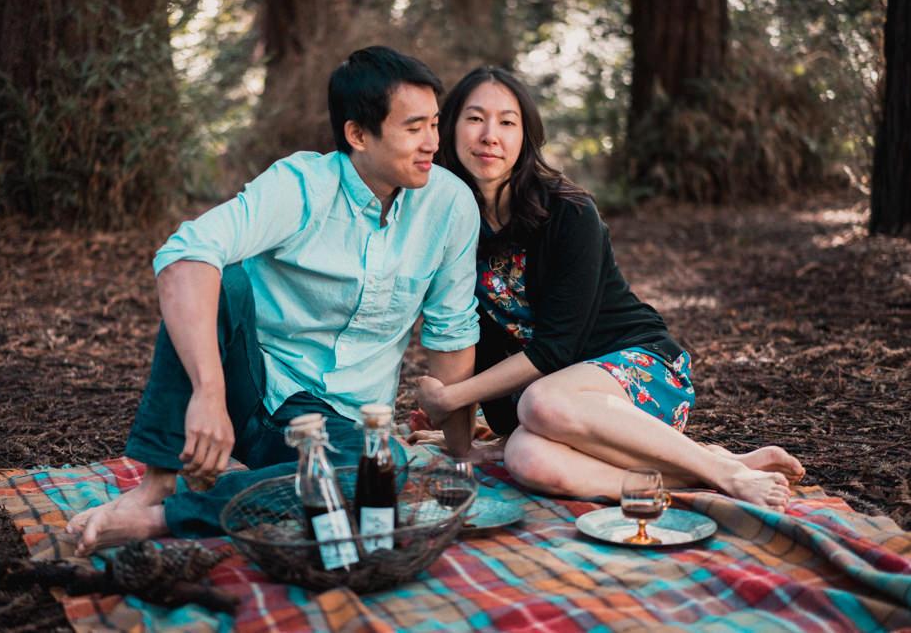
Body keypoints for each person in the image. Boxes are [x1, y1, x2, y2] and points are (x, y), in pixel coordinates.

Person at [65, 47, 480, 556]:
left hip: (334, 426)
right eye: (414, 127)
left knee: (376, 475)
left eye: (436, 124)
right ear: (358, 134)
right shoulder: (301, 185)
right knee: (223, 277)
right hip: (249, 388)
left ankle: (163, 519)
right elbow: (183, 254)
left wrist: (463, 459)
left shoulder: (450, 204)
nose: (433, 143)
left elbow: (451, 331)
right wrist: (209, 393)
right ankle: (157, 483)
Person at [414, 67, 804, 510]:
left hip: (637, 372)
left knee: (541, 404)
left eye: (507, 122)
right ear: (449, 128)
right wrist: (463, 447)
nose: (490, 136)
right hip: (560, 409)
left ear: (527, 136)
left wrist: (450, 399)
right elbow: (459, 330)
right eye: (474, 118)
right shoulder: (449, 221)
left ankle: (726, 474)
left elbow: (556, 349)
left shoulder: (568, 211)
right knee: (525, 458)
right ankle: (706, 468)